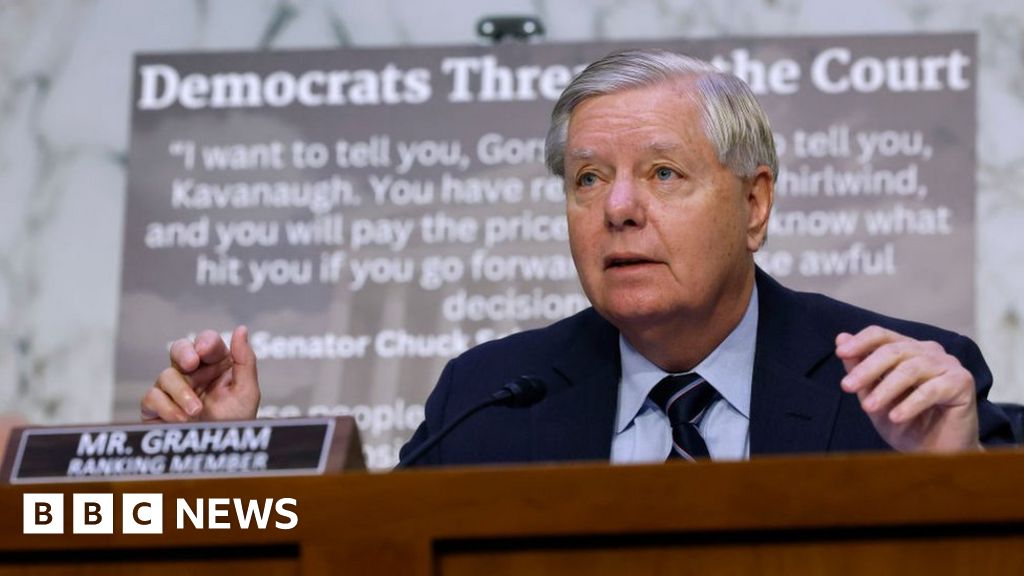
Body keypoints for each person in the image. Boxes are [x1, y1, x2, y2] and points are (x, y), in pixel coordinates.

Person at [141, 49, 1013, 465]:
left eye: (663, 173)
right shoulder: (484, 400)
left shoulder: (903, 388)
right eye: (589, 178)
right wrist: (244, 463)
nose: (619, 208)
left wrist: (954, 476)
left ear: (755, 203)